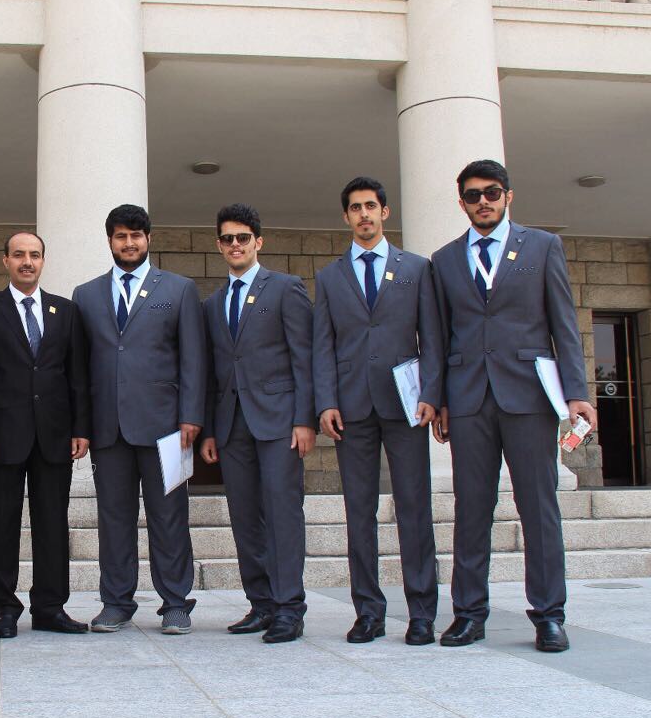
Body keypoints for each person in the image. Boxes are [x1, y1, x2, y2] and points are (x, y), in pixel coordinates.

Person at [431, 159, 596, 653]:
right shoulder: (444, 259)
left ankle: (549, 616)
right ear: (461, 202)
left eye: (492, 192)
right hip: (468, 398)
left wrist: (577, 392)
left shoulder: (542, 246)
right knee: (471, 508)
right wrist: (438, 398)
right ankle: (468, 614)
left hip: (528, 395)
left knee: (539, 507)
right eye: (473, 194)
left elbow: (563, 323)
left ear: (508, 196)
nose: (483, 201)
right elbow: (438, 337)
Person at [313, 178, 441, 646]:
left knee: (414, 508)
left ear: (385, 212)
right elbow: (322, 345)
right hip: (351, 408)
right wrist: (325, 401)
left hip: (407, 405)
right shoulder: (329, 277)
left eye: (371, 206)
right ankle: (368, 611)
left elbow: (432, 337)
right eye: (355, 208)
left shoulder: (417, 269)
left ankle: (422, 613)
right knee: (359, 513)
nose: (363, 214)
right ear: (345, 217)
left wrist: (433, 393)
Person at [72, 204, 206, 635]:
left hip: (169, 429)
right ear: (110, 241)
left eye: (136, 235)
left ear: (149, 238)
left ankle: (175, 604)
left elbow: (194, 359)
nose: (128, 243)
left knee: (170, 518)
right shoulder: (86, 295)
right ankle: (116, 602)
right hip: (108, 429)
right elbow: (79, 368)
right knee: (114, 519)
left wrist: (191, 416)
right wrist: (81, 426)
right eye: (120, 236)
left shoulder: (180, 289)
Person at [0, 231, 91, 638]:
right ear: (6, 261)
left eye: (34, 255)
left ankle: (50, 607)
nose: (27, 262)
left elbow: (77, 375)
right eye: (19, 255)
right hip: (1, 435)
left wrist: (81, 428)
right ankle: (3, 609)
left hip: (54, 434)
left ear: (43, 261)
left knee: (52, 524)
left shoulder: (65, 311)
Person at [199, 204, 315, 644]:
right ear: (219, 245)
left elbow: (303, 356)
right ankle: (261, 603)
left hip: (280, 422)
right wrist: (210, 430)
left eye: (242, 237)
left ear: (258, 242)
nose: (235, 245)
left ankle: (289, 608)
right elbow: (211, 373)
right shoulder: (212, 304)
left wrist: (304, 419)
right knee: (245, 516)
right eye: (227, 238)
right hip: (232, 426)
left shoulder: (285, 288)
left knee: (283, 514)